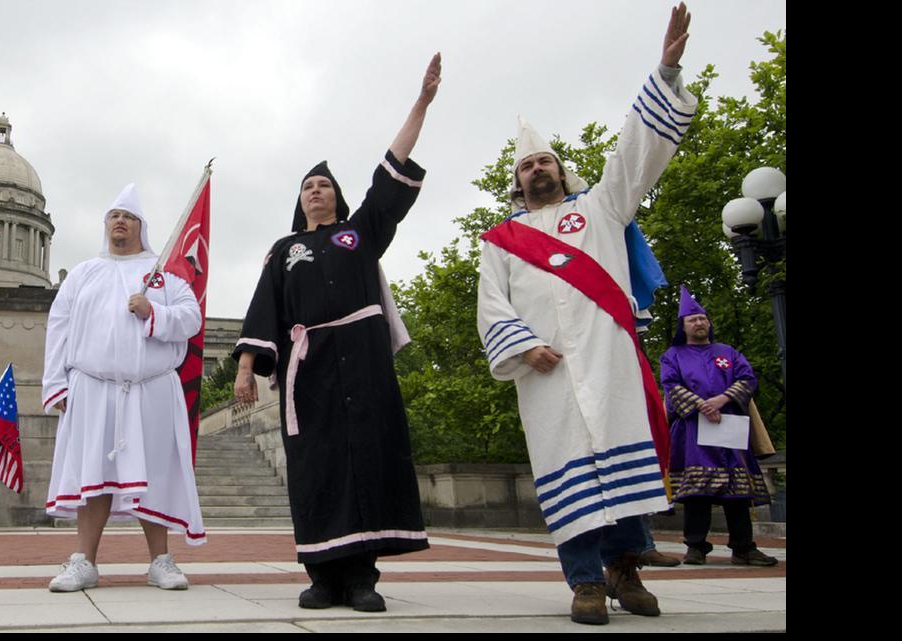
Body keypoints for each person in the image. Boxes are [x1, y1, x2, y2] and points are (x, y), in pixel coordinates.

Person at [476, 4, 696, 626]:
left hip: (607, 358)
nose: (537, 169)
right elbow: (491, 303)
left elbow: (633, 155)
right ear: (516, 181)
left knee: (621, 460)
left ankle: (625, 570)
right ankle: (585, 583)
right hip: (546, 370)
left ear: (560, 168)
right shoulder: (499, 241)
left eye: (544, 161)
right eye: (527, 165)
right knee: (567, 473)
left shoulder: (601, 208)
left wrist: (665, 72)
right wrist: (522, 346)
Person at [232, 54, 441, 613]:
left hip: (364, 362)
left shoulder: (360, 233)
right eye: (308, 186)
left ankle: (362, 578)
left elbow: (390, 173)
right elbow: (263, 310)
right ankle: (322, 576)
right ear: (299, 200)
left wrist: (421, 103)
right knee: (316, 461)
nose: (316, 191)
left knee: (368, 454)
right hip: (309, 371)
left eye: (324, 185)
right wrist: (246, 368)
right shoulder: (284, 250)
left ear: (337, 196)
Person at [41, 182, 205, 593]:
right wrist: (56, 384)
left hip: (152, 389)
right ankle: (84, 562)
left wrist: (154, 312)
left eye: (128, 217)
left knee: (153, 473)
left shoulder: (165, 276)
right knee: (92, 473)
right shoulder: (83, 274)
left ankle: (160, 561)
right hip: (92, 388)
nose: (120, 222)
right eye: (114, 216)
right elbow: (58, 328)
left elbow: (191, 319)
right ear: (106, 225)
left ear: (140, 226)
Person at [660, 286, 777, 567]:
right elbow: (671, 385)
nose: (699, 323)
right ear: (683, 326)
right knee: (697, 491)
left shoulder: (729, 353)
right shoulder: (673, 355)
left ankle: (743, 548)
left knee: (738, 491)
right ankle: (696, 547)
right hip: (693, 432)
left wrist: (722, 399)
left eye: (702, 318)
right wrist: (701, 405)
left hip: (729, 427)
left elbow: (747, 379)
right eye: (693, 319)